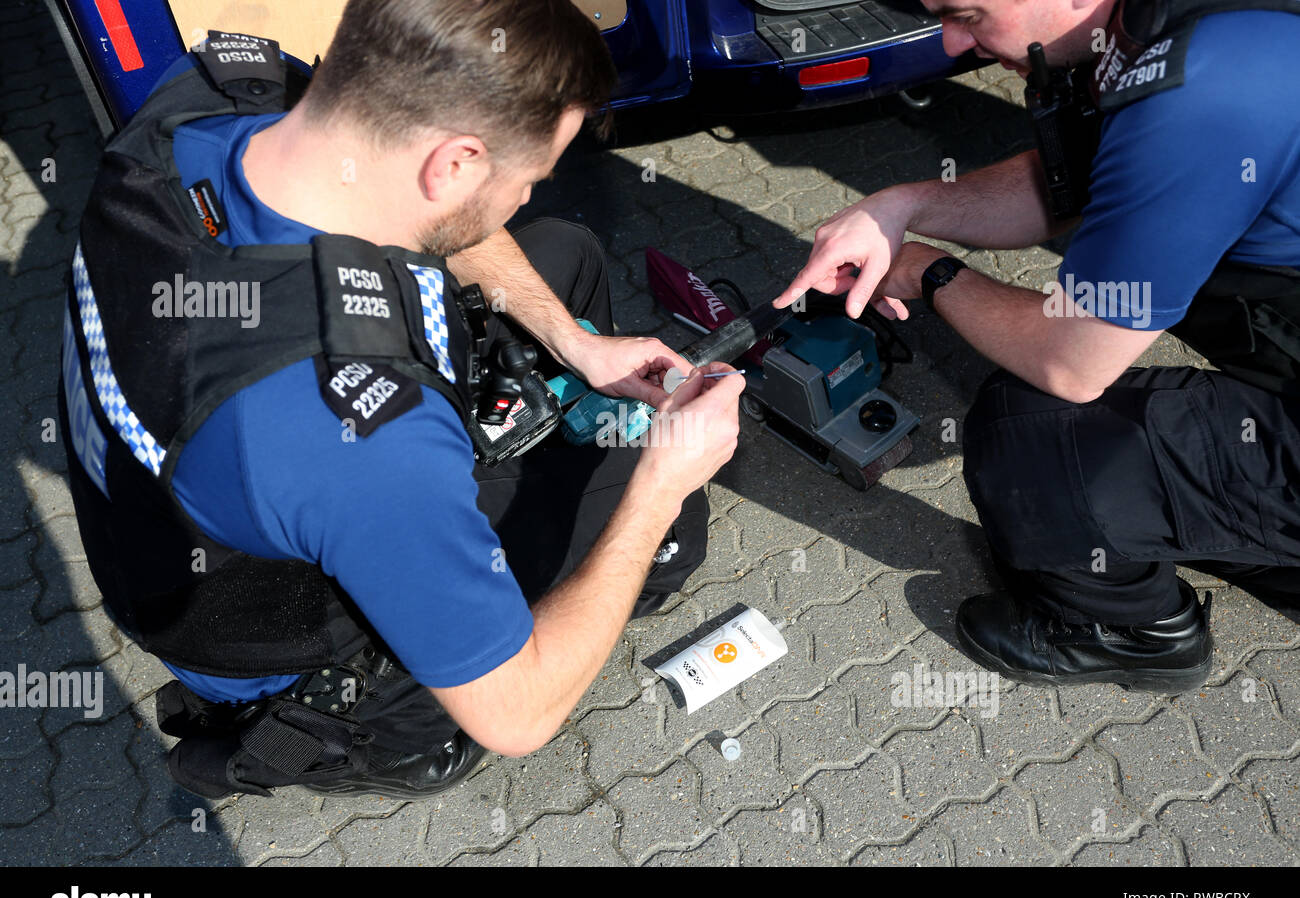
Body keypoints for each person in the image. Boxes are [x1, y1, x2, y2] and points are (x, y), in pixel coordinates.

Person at [58, 0, 744, 800]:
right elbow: (519, 717)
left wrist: (576, 345)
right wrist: (662, 485)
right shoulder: (357, 438)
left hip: (216, 482)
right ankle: (390, 736)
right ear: (452, 164)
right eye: (528, 177)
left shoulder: (221, 92)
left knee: (567, 255)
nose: (527, 194)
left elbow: (439, 213)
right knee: (640, 488)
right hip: (285, 635)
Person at [775, 0, 1300, 692]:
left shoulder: (1197, 94)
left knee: (1031, 433)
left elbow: (1071, 363)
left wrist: (930, 273)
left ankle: (1135, 632)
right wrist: (901, 207)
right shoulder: (1166, 25)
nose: (952, 42)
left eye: (968, 14)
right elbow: (1074, 179)